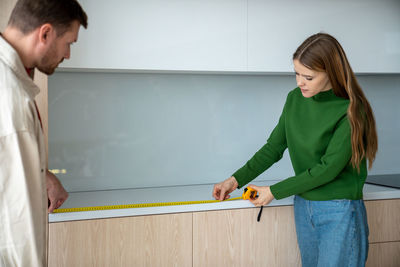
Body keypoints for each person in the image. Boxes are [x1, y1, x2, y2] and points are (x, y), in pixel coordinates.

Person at [212, 33, 378, 267]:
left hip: (339, 210)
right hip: (304, 206)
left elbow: (327, 170)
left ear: (332, 72)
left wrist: (275, 191)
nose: (300, 82)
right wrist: (234, 180)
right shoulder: (294, 99)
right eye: (297, 73)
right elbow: (273, 148)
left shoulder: (351, 110)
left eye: (308, 76)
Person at [0, 0, 88, 266]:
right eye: (69, 43)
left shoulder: (13, 82)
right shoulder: (10, 97)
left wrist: (41, 173)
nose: (68, 54)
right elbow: (18, 225)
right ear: (45, 33)